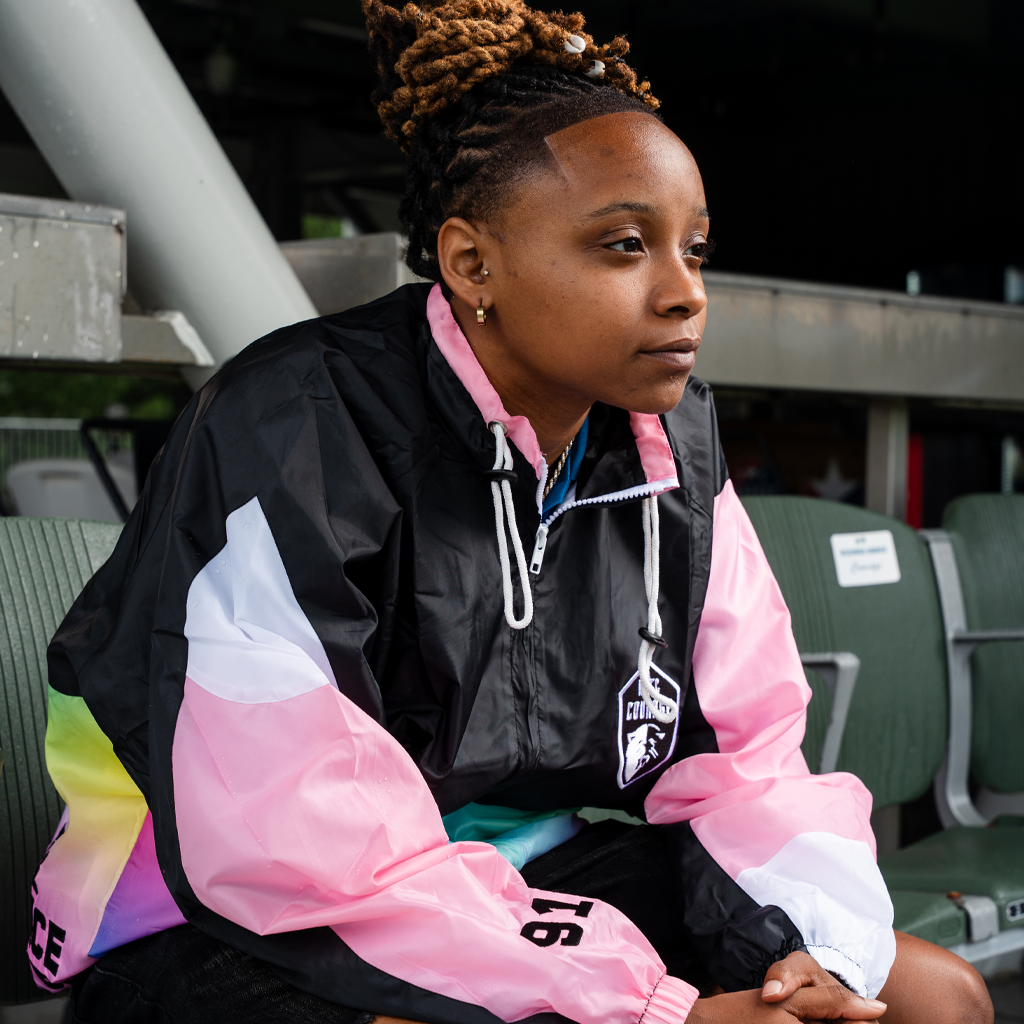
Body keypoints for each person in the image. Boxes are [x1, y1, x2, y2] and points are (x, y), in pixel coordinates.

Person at [30, 2, 992, 1023]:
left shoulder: (673, 449)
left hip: (502, 868)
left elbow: (743, 759)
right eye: (624, 245)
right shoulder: (294, 425)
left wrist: (807, 952)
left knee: (931, 996)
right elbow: (294, 842)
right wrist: (654, 1011)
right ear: (471, 264)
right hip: (213, 907)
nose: (684, 294)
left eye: (695, 249)